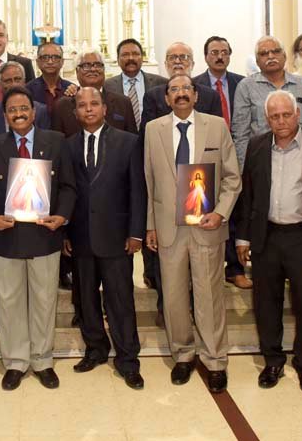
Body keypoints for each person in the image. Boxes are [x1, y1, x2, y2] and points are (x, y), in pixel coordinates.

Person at [236, 90, 302, 396]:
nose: (281, 121)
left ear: (297, 115)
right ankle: (273, 361)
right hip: (267, 237)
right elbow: (248, 196)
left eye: (286, 115)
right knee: (265, 303)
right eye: (274, 116)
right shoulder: (257, 146)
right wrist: (243, 237)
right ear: (266, 119)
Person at [143, 74, 241, 393]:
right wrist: (150, 225)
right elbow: (149, 182)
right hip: (168, 228)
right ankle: (183, 354)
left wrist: (221, 212)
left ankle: (215, 360)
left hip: (206, 225)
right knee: (173, 296)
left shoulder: (217, 126)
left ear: (196, 96)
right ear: (166, 98)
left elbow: (232, 178)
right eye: (174, 90)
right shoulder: (153, 129)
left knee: (209, 296)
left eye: (186, 88)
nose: (181, 93)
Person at [0, 86, 76, 391]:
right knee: (9, 302)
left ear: (34, 112)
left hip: (45, 235)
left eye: (24, 109)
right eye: (12, 110)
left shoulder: (56, 141)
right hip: (5, 236)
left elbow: (69, 186)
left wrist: (62, 216)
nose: (18, 114)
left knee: (44, 300)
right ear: (5, 116)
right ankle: (16, 362)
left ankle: (43, 360)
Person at [65, 87, 146, 390]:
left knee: (120, 300)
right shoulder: (68, 146)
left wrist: (135, 232)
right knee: (86, 300)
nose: (88, 109)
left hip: (117, 237)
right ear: (75, 112)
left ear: (104, 108)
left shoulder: (128, 142)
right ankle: (95, 349)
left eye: (94, 104)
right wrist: (65, 232)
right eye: (82, 105)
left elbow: (138, 190)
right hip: (80, 237)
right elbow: (65, 192)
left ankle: (128, 359)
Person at [193, 36, 249, 289]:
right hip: (207, 157)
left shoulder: (242, 84)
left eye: (224, 52)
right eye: (214, 52)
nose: (219, 56)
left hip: (239, 153)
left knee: (236, 210)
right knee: (212, 211)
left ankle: (235, 268)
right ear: (205, 56)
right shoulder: (194, 86)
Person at [231, 36, 302, 168]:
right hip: (261, 160)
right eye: (264, 53)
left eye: (276, 51)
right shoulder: (246, 87)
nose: (271, 56)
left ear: (284, 56)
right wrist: (244, 170)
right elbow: (241, 135)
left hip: (300, 159)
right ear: (257, 61)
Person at [51, 50, 138, 137]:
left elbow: (132, 141)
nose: (93, 69)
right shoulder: (62, 105)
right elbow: (57, 142)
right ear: (77, 71)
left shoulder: (123, 103)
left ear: (104, 70)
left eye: (98, 65)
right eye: (86, 65)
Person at [141, 42, 224, 127]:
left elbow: (217, 130)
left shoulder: (211, 96)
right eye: (172, 57)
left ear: (192, 64)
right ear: (166, 64)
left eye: (183, 57)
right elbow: (148, 132)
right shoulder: (152, 96)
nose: (177, 61)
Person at [103, 38, 167, 128]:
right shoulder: (107, 86)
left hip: (153, 134)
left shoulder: (161, 83)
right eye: (125, 55)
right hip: (120, 135)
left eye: (135, 54)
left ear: (142, 58)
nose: (131, 58)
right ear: (118, 60)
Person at [0, 62, 50, 133]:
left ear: (24, 81)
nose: (14, 85)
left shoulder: (41, 111)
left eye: (17, 79)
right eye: (8, 81)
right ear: (0, 85)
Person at [26, 41, 76, 120]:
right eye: (45, 57)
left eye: (55, 57)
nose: (50, 62)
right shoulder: (28, 90)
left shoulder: (72, 89)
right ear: (38, 62)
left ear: (62, 62)